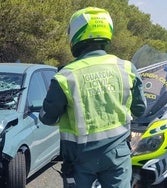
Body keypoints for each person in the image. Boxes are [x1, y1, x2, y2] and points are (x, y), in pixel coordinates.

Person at [39, 7, 147, 188]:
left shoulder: (66, 76)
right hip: (117, 155)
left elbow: (48, 118)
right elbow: (139, 109)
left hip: (79, 158)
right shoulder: (127, 68)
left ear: (75, 34)